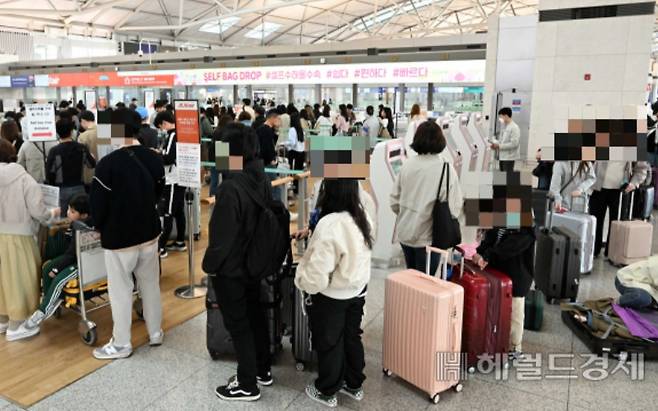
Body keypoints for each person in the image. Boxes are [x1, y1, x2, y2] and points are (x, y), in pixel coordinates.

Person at [202, 123, 274, 402]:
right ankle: (262, 370)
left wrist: (210, 265)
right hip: (255, 262)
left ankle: (246, 384)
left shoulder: (230, 188)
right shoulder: (260, 177)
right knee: (256, 316)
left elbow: (221, 239)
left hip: (231, 268)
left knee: (239, 325)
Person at [89, 110, 165, 359]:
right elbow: (158, 193)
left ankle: (122, 343)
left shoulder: (107, 165)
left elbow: (98, 207)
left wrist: (97, 225)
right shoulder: (154, 159)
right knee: (150, 285)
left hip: (120, 238)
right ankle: (155, 332)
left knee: (121, 290)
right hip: (150, 233)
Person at [295, 179, 374, 408]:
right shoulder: (362, 217)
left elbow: (318, 273)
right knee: (351, 337)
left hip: (332, 295)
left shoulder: (329, 224)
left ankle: (327, 390)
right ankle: (354, 384)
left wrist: (304, 283)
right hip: (357, 290)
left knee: (329, 341)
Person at [0, 139, 59, 341]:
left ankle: (3, 319)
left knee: (3, 279)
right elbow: (39, 212)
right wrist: (53, 212)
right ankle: (17, 326)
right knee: (21, 279)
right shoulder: (24, 179)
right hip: (19, 235)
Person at [390, 121, 463, 275]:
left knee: (411, 276)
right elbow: (455, 207)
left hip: (405, 233)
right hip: (431, 238)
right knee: (425, 284)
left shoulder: (407, 165)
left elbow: (394, 201)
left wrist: (409, 214)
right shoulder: (446, 169)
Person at [22, 194, 93, 336]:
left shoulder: (83, 229)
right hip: (74, 258)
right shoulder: (76, 225)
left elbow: (71, 255)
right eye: (68, 209)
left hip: (84, 264)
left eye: (72, 211)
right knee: (47, 268)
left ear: (84, 215)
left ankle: (42, 311)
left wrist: (57, 268)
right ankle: (50, 301)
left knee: (58, 277)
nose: (68, 212)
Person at [472, 227, 536, 358]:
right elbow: (491, 236)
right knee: (495, 310)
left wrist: (488, 255)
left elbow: (514, 245)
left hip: (517, 275)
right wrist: (481, 253)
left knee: (515, 312)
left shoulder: (524, 224)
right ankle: (494, 342)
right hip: (497, 272)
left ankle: (515, 347)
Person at [589, 161, 649, 258]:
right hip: (597, 187)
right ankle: (593, 250)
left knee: (616, 225)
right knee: (595, 222)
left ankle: (611, 253)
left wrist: (634, 183)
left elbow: (642, 168)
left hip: (621, 190)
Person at [155, 110, 187, 258]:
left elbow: (168, 158)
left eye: (161, 126)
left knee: (168, 211)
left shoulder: (173, 135)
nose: (161, 129)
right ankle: (180, 241)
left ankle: (161, 247)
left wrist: (156, 154)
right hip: (181, 176)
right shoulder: (182, 133)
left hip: (173, 178)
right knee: (178, 210)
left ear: (164, 123)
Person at [46, 119, 96, 212]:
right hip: (79, 187)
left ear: (57, 133)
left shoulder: (55, 151)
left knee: (63, 219)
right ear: (71, 131)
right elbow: (91, 164)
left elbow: (50, 173)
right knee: (80, 216)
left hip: (61, 189)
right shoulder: (81, 148)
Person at [256, 109, 281, 200]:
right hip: (268, 162)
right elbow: (267, 147)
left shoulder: (262, 129)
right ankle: (277, 208)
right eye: (278, 119)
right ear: (272, 118)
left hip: (261, 162)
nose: (279, 121)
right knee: (275, 186)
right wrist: (272, 159)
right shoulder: (266, 131)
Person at [209, 114, 235, 196]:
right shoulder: (225, 132)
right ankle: (221, 197)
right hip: (221, 157)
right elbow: (222, 149)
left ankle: (212, 198)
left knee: (214, 180)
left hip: (214, 158)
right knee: (224, 180)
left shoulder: (217, 131)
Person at [490, 107, 520, 172]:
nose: (500, 119)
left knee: (507, 178)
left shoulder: (514, 127)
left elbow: (514, 144)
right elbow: (502, 141)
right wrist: (495, 143)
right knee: (502, 178)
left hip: (509, 158)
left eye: (501, 117)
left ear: (506, 116)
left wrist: (499, 146)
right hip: (503, 157)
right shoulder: (505, 127)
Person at [77, 110, 98, 187]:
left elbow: (81, 158)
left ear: (82, 120)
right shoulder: (109, 131)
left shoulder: (83, 136)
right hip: (108, 173)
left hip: (90, 175)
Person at [287, 113, 306, 193]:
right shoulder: (301, 129)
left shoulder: (292, 129)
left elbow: (292, 143)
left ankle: (294, 189)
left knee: (293, 172)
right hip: (301, 153)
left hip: (294, 153)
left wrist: (285, 143)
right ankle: (298, 189)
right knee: (299, 171)